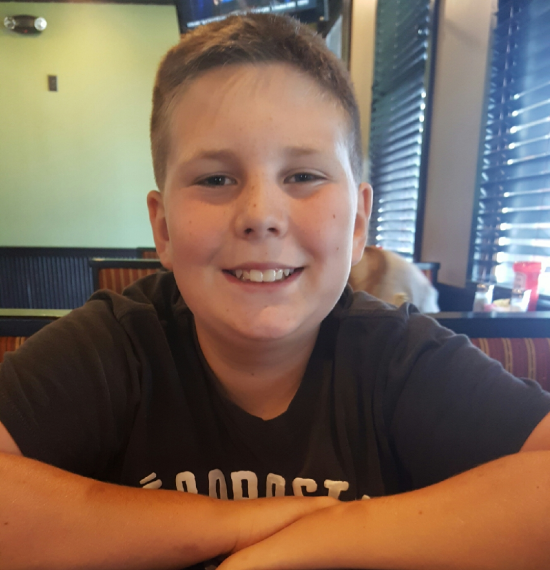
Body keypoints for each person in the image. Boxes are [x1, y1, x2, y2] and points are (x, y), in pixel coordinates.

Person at [1, 13, 550, 570]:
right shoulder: (118, 345)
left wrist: (328, 533)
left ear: (358, 224)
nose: (260, 214)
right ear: (163, 228)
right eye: (215, 179)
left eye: (303, 176)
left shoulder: (396, 358)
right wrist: (238, 524)